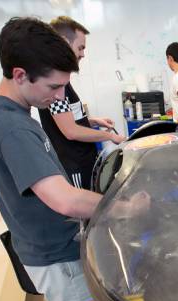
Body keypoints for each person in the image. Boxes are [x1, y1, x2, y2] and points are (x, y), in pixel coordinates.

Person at [0, 17, 149, 301]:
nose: (57, 95)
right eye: (52, 86)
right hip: (51, 248)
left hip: (41, 238)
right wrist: (125, 206)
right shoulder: (13, 128)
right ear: (20, 75)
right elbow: (64, 199)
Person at [37, 16, 125, 191]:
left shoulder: (63, 82)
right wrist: (110, 137)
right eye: (80, 47)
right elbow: (70, 131)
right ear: (63, 43)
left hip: (85, 160)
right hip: (74, 165)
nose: (83, 54)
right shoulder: (55, 86)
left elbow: (68, 118)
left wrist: (93, 121)